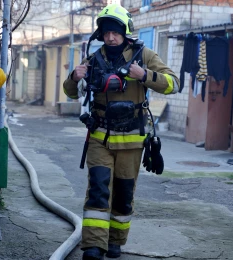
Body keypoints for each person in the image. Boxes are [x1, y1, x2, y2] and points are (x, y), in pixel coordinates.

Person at [63, 3, 180, 260]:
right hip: (99, 137)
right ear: (101, 34)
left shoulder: (144, 55)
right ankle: (93, 246)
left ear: (125, 32)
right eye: (106, 32)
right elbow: (71, 91)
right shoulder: (94, 59)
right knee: (98, 188)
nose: (110, 37)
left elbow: (173, 84)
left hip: (132, 140)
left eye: (115, 32)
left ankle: (115, 241)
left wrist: (144, 75)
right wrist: (73, 77)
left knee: (124, 194)